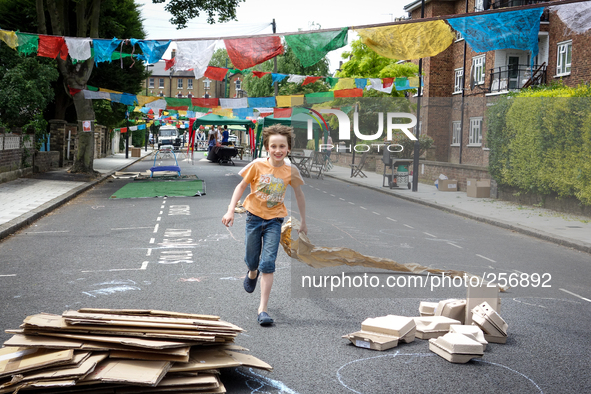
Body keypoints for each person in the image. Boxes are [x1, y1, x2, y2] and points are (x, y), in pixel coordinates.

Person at [222, 125, 307, 326]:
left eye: (282, 146)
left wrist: (303, 221)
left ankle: (263, 309)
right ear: (267, 148)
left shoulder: (291, 171)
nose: (278, 150)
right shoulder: (257, 165)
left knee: (268, 263)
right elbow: (241, 186)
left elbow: (299, 195)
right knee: (252, 260)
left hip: (274, 221)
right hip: (253, 217)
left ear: (288, 148)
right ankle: (252, 272)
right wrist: (230, 210)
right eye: (274, 146)